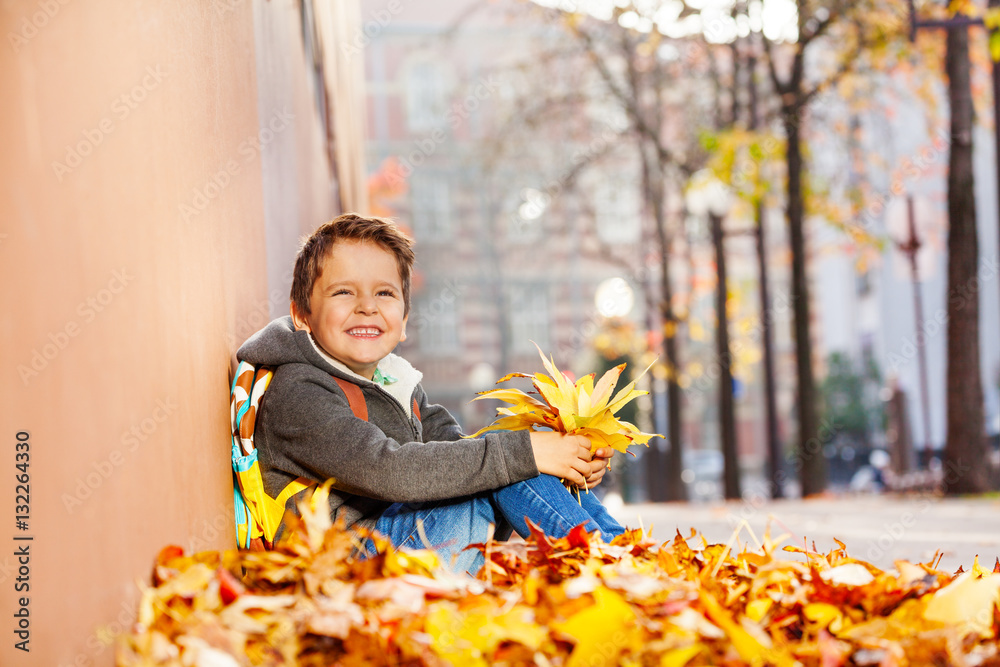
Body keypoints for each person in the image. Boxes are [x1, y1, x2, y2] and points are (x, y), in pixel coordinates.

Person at [237, 213, 624, 574]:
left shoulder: (397, 383)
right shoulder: (298, 390)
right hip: (352, 570)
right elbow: (387, 469)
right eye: (343, 292)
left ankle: (620, 551)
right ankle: (615, 566)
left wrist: (568, 462)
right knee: (510, 458)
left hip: (401, 542)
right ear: (301, 315)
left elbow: (460, 454)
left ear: (404, 321)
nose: (367, 307)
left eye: (385, 293)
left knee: (506, 456)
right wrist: (530, 453)